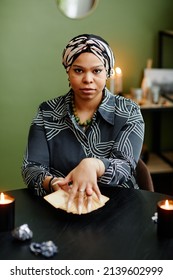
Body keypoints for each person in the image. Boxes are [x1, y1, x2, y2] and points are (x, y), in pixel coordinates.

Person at [22, 34, 145, 214]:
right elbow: (31, 167)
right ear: (68, 71)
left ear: (107, 72)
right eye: (79, 70)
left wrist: (94, 165)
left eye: (96, 71)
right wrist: (53, 183)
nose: (88, 79)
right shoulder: (47, 112)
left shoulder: (128, 111)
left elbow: (125, 166)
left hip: (119, 209)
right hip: (61, 209)